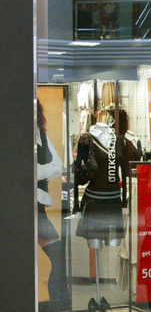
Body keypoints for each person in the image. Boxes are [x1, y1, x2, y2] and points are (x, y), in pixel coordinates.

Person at [36, 102, 69, 312]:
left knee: (57, 256)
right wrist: (41, 171)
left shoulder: (41, 134)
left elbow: (58, 166)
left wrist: (41, 170)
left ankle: (58, 304)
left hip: (39, 206)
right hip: (26, 206)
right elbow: (30, 172)